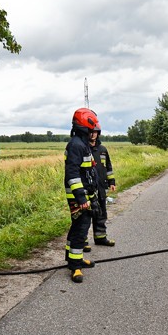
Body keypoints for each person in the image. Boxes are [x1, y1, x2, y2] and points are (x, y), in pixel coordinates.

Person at [64, 107, 100, 283]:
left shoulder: (81, 144)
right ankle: (75, 266)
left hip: (84, 194)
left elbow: (87, 172)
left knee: (77, 226)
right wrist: (81, 198)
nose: (95, 133)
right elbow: (72, 174)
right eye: (93, 130)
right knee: (81, 229)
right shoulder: (76, 145)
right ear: (85, 127)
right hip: (78, 196)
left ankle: (73, 258)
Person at [87, 123, 116, 247]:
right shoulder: (83, 148)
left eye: (95, 132)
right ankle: (82, 242)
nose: (92, 134)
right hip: (88, 187)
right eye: (90, 131)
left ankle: (100, 238)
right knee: (86, 215)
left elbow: (108, 167)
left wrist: (111, 182)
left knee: (101, 213)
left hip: (101, 187)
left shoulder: (103, 149)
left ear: (98, 133)